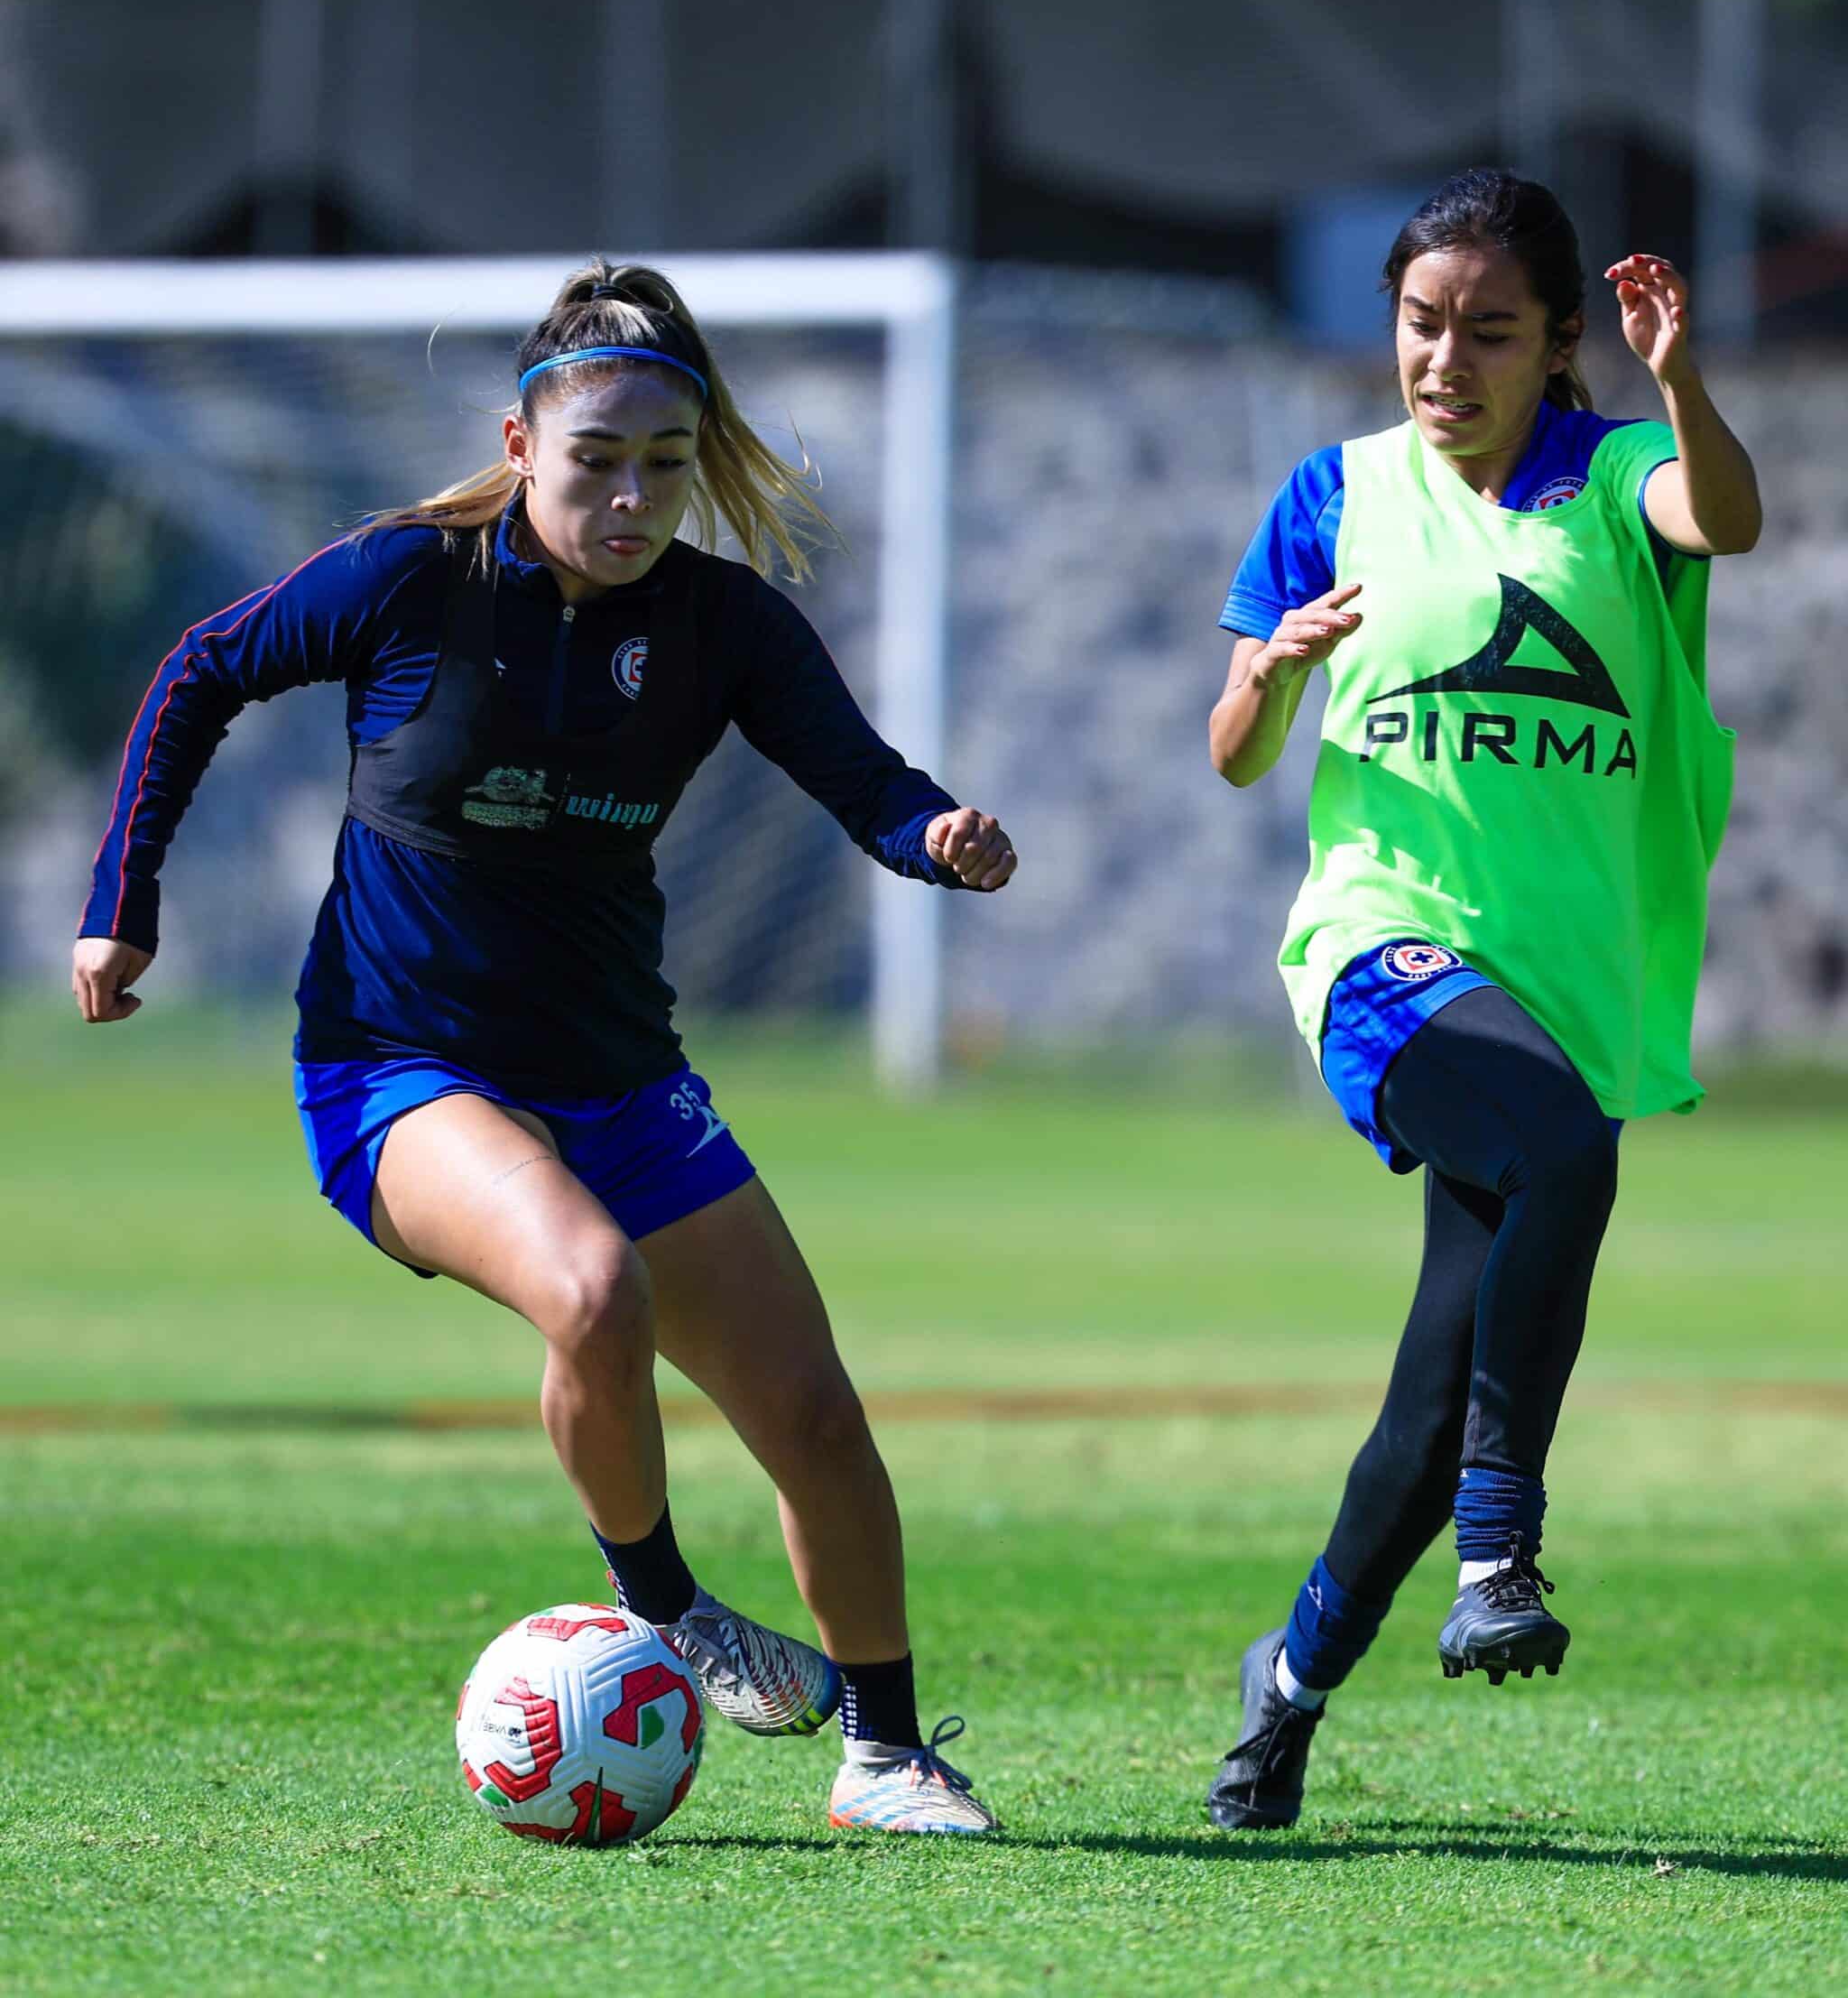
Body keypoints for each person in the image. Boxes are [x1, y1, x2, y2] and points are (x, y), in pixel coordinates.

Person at [73, 261, 1016, 1837]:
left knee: (816, 1418)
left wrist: (939, 837)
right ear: (521, 441)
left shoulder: (723, 624)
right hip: (397, 1068)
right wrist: (125, 905)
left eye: (665, 462)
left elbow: (864, 779)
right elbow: (196, 672)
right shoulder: (404, 582)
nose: (634, 494)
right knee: (591, 1287)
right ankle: (663, 1608)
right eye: (598, 460)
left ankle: (887, 1756)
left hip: (621, 1078)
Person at [1202, 171, 1760, 1830]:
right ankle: (1502, 1539)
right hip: (1381, 956)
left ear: (1556, 343)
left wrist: (1683, 383)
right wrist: (1273, 668)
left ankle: (1286, 1684)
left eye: (1488, 333)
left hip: (1556, 993)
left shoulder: (1613, 473)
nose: (1445, 361)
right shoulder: (1334, 490)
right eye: (1421, 325)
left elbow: (1724, 522)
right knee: (1567, 1156)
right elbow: (1231, 754)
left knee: (1432, 1392)